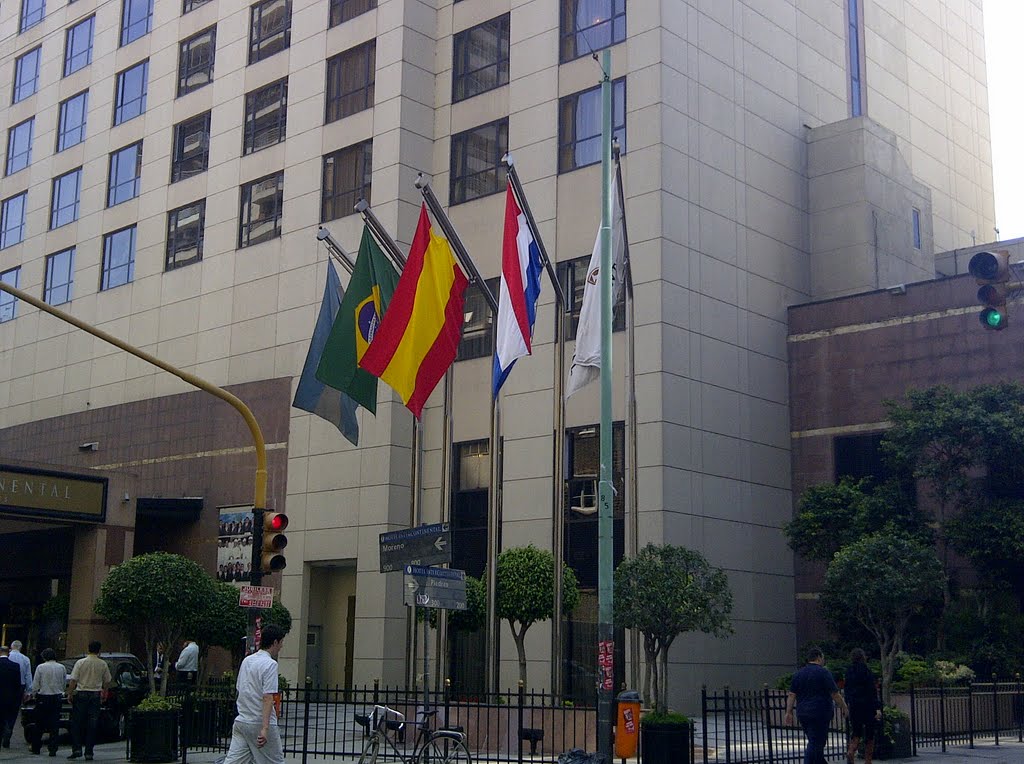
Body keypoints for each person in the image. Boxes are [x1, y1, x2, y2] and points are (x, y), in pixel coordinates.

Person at [223, 624, 286, 764]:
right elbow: (268, 698)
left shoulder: (247, 660)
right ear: (275, 642)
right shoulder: (270, 664)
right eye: (281, 642)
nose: (281, 646)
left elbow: (240, 689)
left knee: (233, 762)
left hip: (242, 720)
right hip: (259, 722)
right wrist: (265, 728)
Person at [785, 647, 849, 764]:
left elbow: (791, 694)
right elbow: (835, 694)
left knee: (814, 740)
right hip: (820, 712)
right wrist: (844, 707)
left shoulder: (798, 674)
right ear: (819, 658)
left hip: (803, 712)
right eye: (823, 658)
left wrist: (788, 712)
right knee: (816, 742)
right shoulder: (823, 672)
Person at [67, 641, 112, 761]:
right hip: (95, 694)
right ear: (99, 650)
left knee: (77, 722)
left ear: (88, 649)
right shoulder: (102, 664)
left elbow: (73, 680)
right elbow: (107, 680)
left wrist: (70, 693)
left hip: (81, 693)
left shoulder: (81, 662)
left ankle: (77, 748)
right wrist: (105, 692)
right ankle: (89, 752)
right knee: (92, 724)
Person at [845, 648, 882, 764]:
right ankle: (868, 761)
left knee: (856, 732)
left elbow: (846, 690)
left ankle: (851, 751)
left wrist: (847, 704)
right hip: (868, 706)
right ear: (863, 657)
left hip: (855, 706)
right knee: (870, 734)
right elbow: (872, 690)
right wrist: (877, 708)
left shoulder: (849, 671)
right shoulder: (867, 671)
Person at [32, 648, 67, 756]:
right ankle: (53, 748)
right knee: (54, 724)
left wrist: (34, 693)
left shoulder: (41, 667)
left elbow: (36, 683)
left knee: (39, 724)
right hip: (57, 697)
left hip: (43, 696)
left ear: (44, 657)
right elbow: (63, 682)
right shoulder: (62, 667)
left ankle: (36, 747)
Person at [0, 646, 23, 749]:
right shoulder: (15, 666)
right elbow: (18, 684)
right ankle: (7, 734)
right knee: (9, 718)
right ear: (8, 653)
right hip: (10, 698)